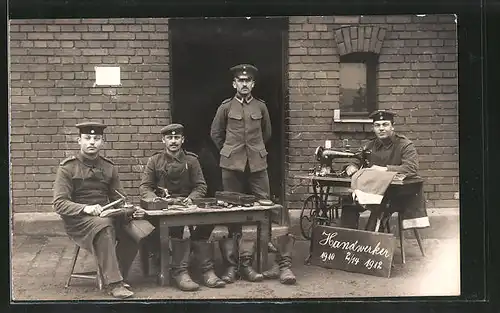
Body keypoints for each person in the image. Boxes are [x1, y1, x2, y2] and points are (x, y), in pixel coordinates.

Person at [210, 64, 296, 284]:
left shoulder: (261, 107)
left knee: (265, 205)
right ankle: (233, 262)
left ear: (253, 84)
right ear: (234, 84)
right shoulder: (226, 107)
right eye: (240, 81)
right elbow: (216, 133)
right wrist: (229, 151)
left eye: (248, 81)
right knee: (232, 210)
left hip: (257, 163)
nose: (244, 84)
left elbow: (266, 133)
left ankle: (262, 251)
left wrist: (254, 151)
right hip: (231, 164)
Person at [53, 122, 143, 299]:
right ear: (79, 140)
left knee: (137, 229)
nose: (92, 142)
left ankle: (118, 273)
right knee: (104, 226)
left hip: (104, 215)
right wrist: (86, 208)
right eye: (87, 138)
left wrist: (130, 210)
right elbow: (59, 203)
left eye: (96, 138)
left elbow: (119, 198)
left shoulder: (109, 167)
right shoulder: (67, 167)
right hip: (78, 220)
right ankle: (114, 283)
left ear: (102, 142)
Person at [139, 123, 225, 291]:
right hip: (165, 208)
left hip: (187, 205)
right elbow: (145, 187)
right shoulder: (154, 161)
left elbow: (201, 186)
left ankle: (206, 270)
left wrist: (191, 199)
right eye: (170, 138)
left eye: (177, 138)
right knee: (174, 227)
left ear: (182, 140)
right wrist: (158, 201)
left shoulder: (191, 160)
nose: (173, 141)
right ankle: (180, 271)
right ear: (163, 140)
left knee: (206, 223)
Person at [341, 110, 420, 231]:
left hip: (396, 194)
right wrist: (351, 166)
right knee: (348, 202)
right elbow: (357, 159)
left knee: (379, 207)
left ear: (392, 127)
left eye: (385, 124)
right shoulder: (370, 145)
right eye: (377, 125)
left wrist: (384, 169)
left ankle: (371, 244)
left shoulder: (405, 145)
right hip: (373, 191)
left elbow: (411, 168)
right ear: (373, 128)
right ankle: (348, 239)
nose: (381, 128)